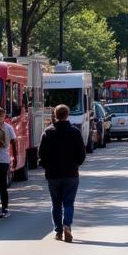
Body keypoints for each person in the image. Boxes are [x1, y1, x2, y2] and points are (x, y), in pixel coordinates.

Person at [37, 103, 87, 242]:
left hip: (53, 174)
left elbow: (41, 154)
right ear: (68, 115)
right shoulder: (75, 132)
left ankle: (58, 231)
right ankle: (67, 225)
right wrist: (76, 164)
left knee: (56, 204)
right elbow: (82, 153)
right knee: (69, 203)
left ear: (55, 115)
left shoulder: (48, 132)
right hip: (71, 173)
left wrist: (47, 167)